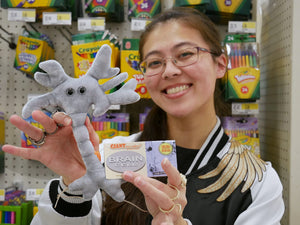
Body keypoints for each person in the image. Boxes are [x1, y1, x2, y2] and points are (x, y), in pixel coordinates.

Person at [2, 7, 284, 225]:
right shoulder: (113, 156)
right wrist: (74, 186)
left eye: (185, 54)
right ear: (144, 77)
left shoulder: (256, 181)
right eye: (155, 62)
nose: (170, 71)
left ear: (221, 63)